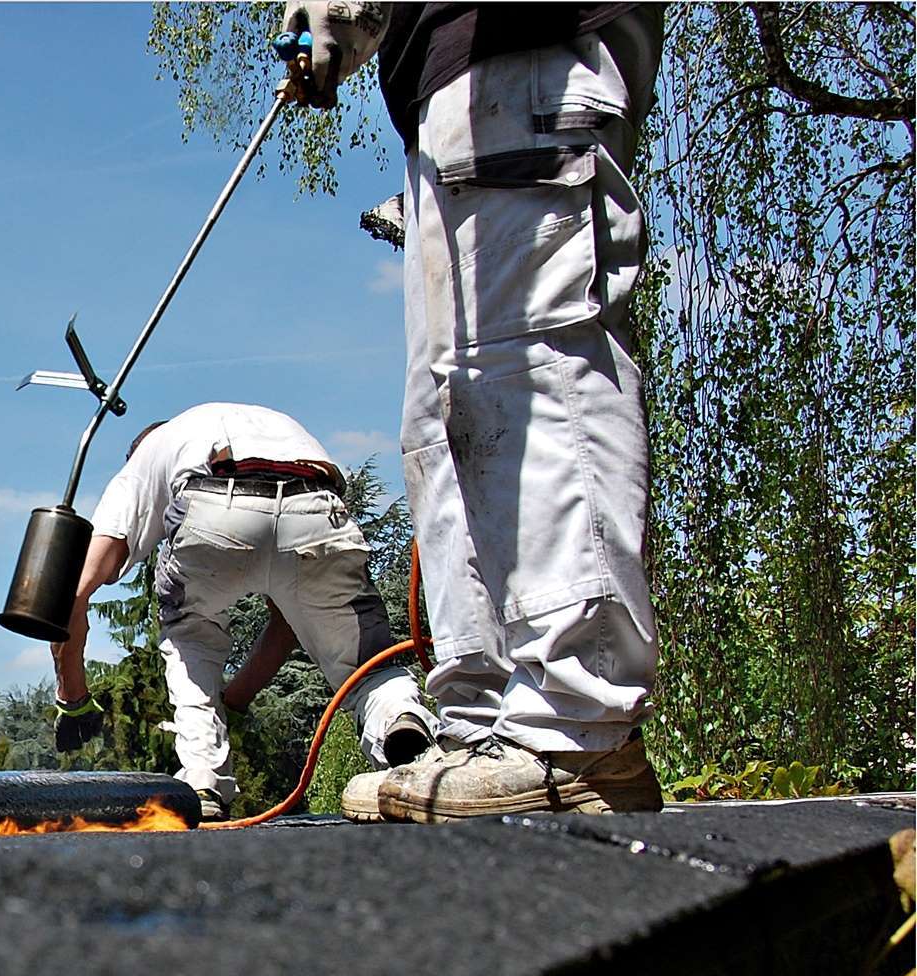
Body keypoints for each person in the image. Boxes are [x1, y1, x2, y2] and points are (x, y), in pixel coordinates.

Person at [280, 1, 667, 822]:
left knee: (526, 364)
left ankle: (577, 724)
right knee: (442, 415)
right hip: (443, 89)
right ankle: (484, 720)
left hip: (530, 46)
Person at [48, 402, 438, 820]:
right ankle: (401, 719)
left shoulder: (146, 457)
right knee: (366, 665)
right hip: (317, 508)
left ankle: (203, 778)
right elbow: (287, 620)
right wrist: (234, 701)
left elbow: (77, 590)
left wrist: (72, 698)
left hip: (213, 505)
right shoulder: (257, 424)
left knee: (187, 631)